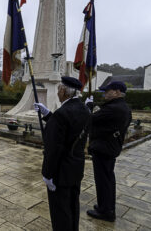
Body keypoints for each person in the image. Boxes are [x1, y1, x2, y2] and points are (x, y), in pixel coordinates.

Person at [34, 76, 91, 231]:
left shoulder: (62, 113)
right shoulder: (84, 109)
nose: (58, 92)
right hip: (75, 167)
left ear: (64, 91)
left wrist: (47, 174)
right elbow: (69, 131)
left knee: (60, 212)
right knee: (72, 206)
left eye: (59, 88)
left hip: (60, 171)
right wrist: (48, 115)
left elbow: (54, 148)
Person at [86, 81, 132, 222]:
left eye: (108, 91)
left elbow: (91, 119)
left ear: (117, 92)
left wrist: (87, 107)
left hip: (104, 149)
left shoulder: (115, 108)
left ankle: (106, 212)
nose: (105, 93)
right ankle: (105, 207)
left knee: (103, 181)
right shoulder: (122, 107)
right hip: (109, 148)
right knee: (107, 180)